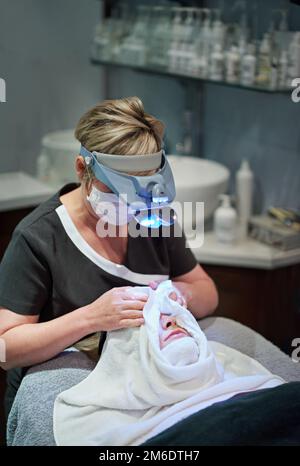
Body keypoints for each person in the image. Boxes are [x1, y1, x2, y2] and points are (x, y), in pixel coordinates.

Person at [0, 96, 218, 418]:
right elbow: (6, 348)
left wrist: (177, 295)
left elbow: (206, 292)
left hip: (145, 381)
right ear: (81, 169)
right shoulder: (38, 237)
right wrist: (92, 317)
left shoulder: (155, 218)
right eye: (118, 193)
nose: (134, 208)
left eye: (142, 195)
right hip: (62, 394)